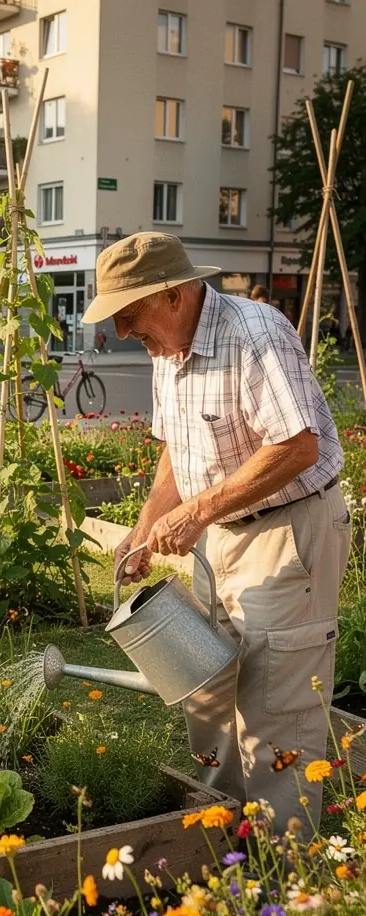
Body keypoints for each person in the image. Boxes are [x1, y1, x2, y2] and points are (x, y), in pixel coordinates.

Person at [82, 231, 348, 830]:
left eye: (128, 314)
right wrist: (146, 525)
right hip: (223, 536)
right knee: (208, 689)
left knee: (277, 706)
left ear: (174, 295)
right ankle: (225, 839)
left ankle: (283, 874)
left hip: (288, 532)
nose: (123, 332)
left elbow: (298, 447)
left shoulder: (255, 335)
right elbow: (177, 452)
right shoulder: (167, 352)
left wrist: (198, 512)